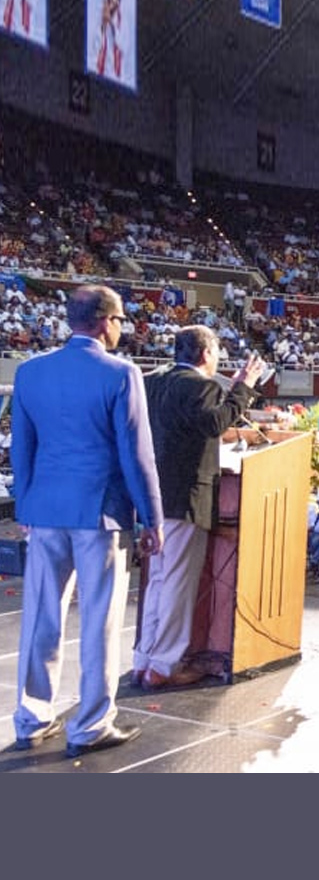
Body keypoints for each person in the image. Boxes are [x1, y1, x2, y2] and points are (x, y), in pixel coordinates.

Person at [11, 285, 163, 757]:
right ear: (104, 321)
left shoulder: (31, 372)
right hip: (101, 513)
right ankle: (91, 724)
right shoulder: (121, 373)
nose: (121, 330)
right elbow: (136, 454)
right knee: (99, 619)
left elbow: (22, 448)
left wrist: (25, 508)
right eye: (120, 321)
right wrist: (151, 518)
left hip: (45, 510)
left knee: (40, 614)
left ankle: (31, 718)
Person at [134, 325, 264, 690]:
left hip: (152, 497)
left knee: (158, 581)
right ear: (206, 354)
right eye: (217, 352)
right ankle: (163, 666)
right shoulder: (200, 386)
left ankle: (145, 657)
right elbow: (215, 423)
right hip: (185, 498)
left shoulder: (151, 381)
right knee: (176, 583)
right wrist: (243, 387)